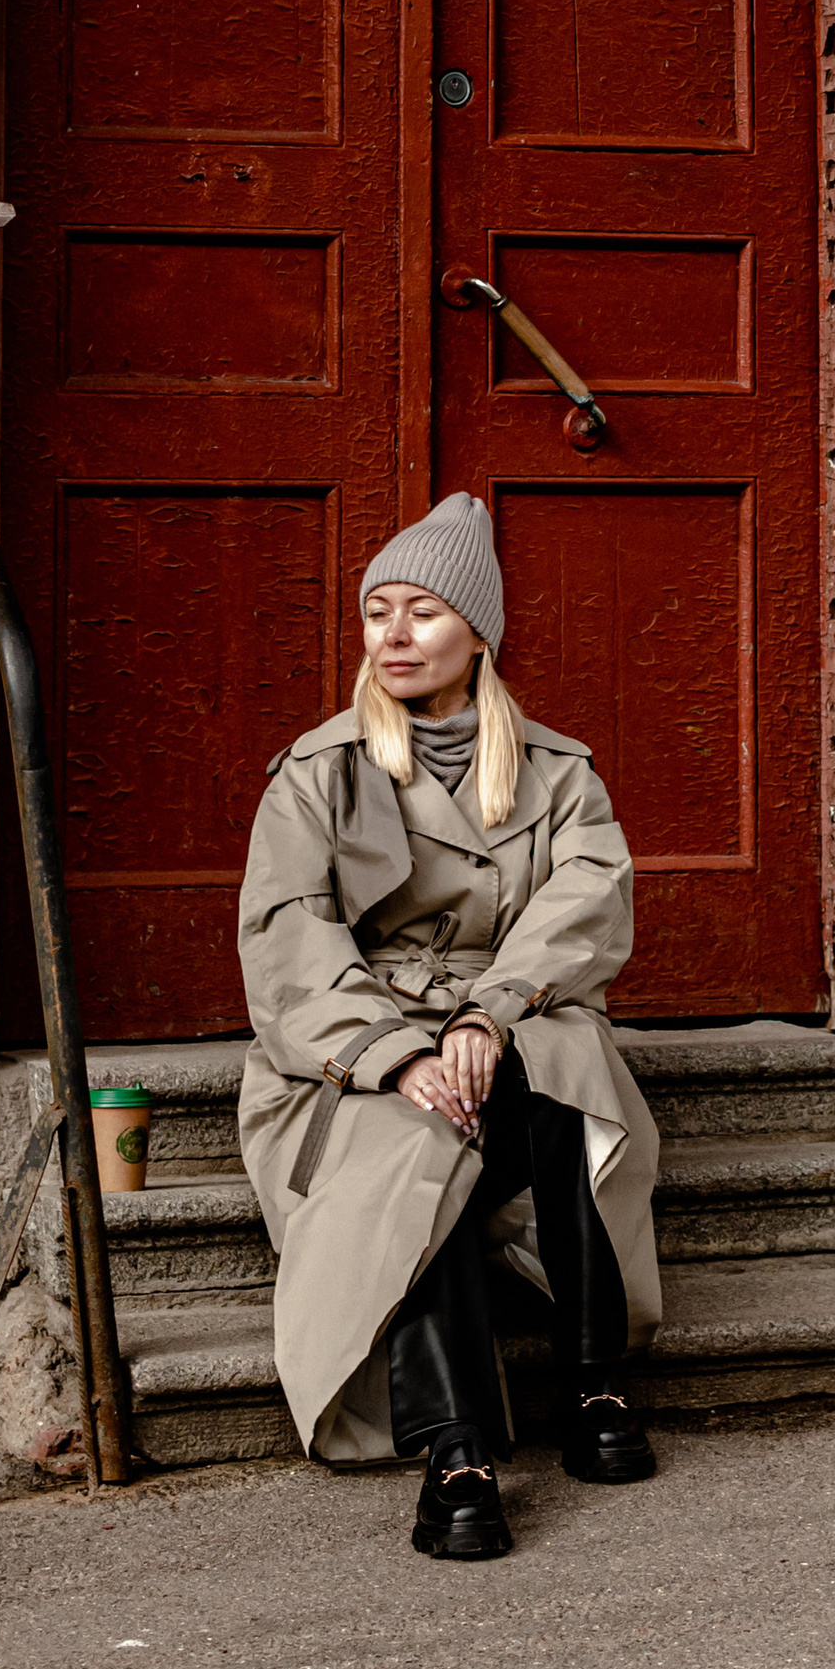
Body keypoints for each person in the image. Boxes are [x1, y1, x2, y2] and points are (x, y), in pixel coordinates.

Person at [237, 490, 662, 1559]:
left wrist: (490, 1014)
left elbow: (582, 911)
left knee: (568, 1077)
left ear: (478, 631)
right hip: (353, 1040)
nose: (392, 634)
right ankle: (458, 1447)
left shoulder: (560, 774)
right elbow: (287, 934)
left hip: (509, 1017)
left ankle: (590, 1382)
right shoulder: (315, 773)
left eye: (421, 611)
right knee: (423, 1141)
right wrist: (399, 1052)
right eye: (377, 611)